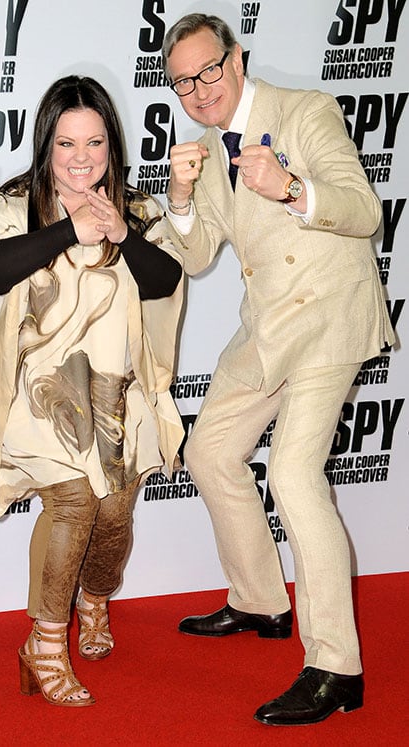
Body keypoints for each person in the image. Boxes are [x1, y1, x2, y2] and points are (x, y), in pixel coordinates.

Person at [161, 13, 395, 726]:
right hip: (268, 326)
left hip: (328, 317)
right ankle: (261, 598)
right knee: (208, 450)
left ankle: (335, 667)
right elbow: (198, 254)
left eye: (208, 70)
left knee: (293, 475)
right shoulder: (204, 147)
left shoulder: (305, 111)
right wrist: (177, 196)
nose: (199, 91)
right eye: (181, 82)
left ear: (235, 59)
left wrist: (292, 186)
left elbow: (365, 211)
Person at [0, 76, 184, 707]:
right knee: (72, 503)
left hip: (117, 395)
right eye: (67, 143)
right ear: (47, 147)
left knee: (114, 515)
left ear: (111, 147)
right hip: (41, 393)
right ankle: (44, 641)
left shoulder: (136, 209)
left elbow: (166, 280)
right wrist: (70, 230)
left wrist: (118, 233)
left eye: (94, 142)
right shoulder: (15, 204)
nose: (81, 157)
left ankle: (94, 600)